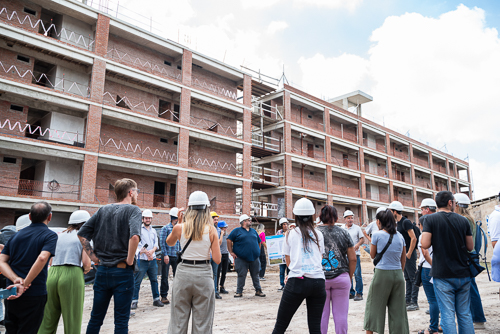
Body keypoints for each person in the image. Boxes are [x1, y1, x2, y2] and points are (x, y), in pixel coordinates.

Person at [78, 178, 142, 334]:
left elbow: (82, 235)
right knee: (121, 321)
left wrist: (94, 258)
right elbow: (134, 237)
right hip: (122, 272)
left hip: (103, 271)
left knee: (95, 318)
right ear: (130, 192)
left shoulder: (102, 210)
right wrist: (130, 259)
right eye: (137, 191)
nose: (137, 195)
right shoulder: (134, 210)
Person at [166, 191, 221, 334]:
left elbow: (170, 243)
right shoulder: (212, 230)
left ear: (189, 208)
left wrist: (178, 223)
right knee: (202, 323)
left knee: (178, 321)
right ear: (206, 209)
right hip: (203, 274)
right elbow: (217, 259)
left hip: (183, 272)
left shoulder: (180, 227)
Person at [421, 191, 474, 334]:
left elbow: (424, 244)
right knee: (464, 314)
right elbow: (470, 247)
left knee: (447, 314)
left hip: (442, 274)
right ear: (450, 203)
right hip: (463, 273)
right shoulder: (463, 220)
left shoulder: (430, 220)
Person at [0, 202, 58, 334]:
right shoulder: (50, 235)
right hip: (34, 292)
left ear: (30, 217)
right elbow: (43, 258)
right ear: (50, 217)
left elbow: (1, 261)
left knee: (11, 329)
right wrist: (25, 284)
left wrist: (15, 280)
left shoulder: (15, 236)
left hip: (12, 291)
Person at [272, 198, 326, 334]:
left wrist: (292, 273)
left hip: (297, 281)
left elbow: (288, 261)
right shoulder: (318, 234)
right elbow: (319, 258)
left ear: (296, 216)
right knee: (315, 328)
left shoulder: (290, 234)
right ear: (312, 216)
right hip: (318, 282)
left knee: (280, 326)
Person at [38, 210, 93, 334]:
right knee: (72, 318)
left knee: (48, 317)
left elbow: (50, 260)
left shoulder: (57, 235)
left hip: (52, 274)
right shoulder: (85, 238)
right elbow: (86, 262)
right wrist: (87, 269)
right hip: (72, 274)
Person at [364, 209, 409, 334]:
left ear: (379, 222)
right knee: (398, 311)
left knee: (374, 307)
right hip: (398, 275)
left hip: (382, 274)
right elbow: (403, 260)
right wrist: (399, 273)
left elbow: (373, 255)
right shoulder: (400, 236)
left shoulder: (377, 235)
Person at [318, 205, 356, 334]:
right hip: (341, 277)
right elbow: (353, 259)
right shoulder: (343, 232)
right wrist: (348, 277)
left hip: (320, 278)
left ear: (320, 217)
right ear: (337, 217)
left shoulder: (315, 233)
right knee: (341, 315)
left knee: (321, 315)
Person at [454, 193, 487, 329]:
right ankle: (476, 319)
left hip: (465, 258)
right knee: (470, 288)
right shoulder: (470, 219)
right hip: (471, 257)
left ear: (457, 205)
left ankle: (478, 320)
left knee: (471, 289)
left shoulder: (463, 220)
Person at [388, 201, 419, 311]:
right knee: (407, 278)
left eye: (390, 211)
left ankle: (414, 302)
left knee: (413, 277)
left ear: (395, 211)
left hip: (409, 254)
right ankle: (407, 300)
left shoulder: (405, 222)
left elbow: (413, 238)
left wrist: (409, 253)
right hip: (404, 255)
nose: (389, 213)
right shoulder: (398, 223)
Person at [417, 199, 441, 334]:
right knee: (440, 298)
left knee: (432, 300)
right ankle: (441, 324)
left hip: (427, 268)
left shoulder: (423, 236)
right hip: (438, 267)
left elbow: (425, 253)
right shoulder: (437, 233)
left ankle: (432, 328)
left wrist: (434, 266)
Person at [227, 214, 266, 298]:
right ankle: (239, 291)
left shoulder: (253, 231)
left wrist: (258, 251)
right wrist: (231, 252)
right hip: (241, 258)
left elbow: (259, 241)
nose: (250, 221)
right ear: (244, 222)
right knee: (241, 275)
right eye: (249, 220)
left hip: (254, 258)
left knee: (255, 275)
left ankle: (258, 290)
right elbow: (229, 240)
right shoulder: (236, 231)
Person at [131, 209, 163, 309]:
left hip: (152, 259)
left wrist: (152, 251)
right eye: (146, 218)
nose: (148, 220)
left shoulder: (153, 231)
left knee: (154, 280)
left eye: (149, 218)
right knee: (137, 281)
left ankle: (156, 299)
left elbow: (156, 244)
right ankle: (134, 301)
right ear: (143, 219)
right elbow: (137, 245)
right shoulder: (138, 230)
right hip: (142, 259)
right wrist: (145, 252)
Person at [160, 207, 180, 305]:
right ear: (173, 218)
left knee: (178, 277)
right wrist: (165, 254)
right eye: (176, 218)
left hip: (176, 256)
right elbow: (162, 243)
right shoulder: (166, 228)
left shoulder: (179, 228)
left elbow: (180, 243)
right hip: (167, 256)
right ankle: (164, 296)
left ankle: (177, 296)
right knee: (165, 276)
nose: (177, 220)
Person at [342, 210, 365, 301]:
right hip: (345, 255)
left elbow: (362, 239)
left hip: (356, 255)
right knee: (347, 274)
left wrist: (358, 245)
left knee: (357, 274)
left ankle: (359, 293)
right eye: (348, 218)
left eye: (352, 218)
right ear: (345, 219)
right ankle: (350, 292)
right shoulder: (341, 228)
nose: (350, 219)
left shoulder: (357, 228)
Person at [210, 211, 223, 299]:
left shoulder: (218, 230)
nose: (216, 221)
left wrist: (221, 234)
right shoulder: (207, 229)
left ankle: (215, 291)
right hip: (207, 255)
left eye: (217, 220)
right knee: (207, 274)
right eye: (215, 220)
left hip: (215, 255)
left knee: (215, 274)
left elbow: (219, 243)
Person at [217, 221, 230, 294]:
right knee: (218, 272)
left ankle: (222, 286)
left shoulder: (227, 234)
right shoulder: (218, 234)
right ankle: (216, 287)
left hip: (225, 254)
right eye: (225, 227)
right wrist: (221, 234)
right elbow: (219, 243)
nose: (226, 228)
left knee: (224, 272)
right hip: (219, 254)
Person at [277, 217, 289, 291]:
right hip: (281, 256)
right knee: (281, 272)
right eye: (284, 224)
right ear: (281, 225)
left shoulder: (291, 232)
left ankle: (288, 286)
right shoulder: (279, 232)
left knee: (289, 272)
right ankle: (282, 285)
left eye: (286, 224)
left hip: (288, 256)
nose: (285, 226)